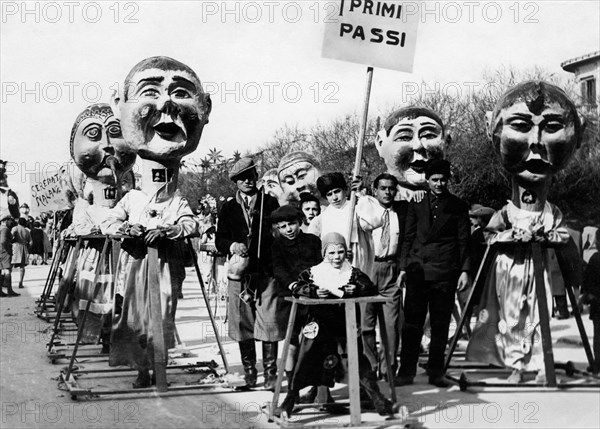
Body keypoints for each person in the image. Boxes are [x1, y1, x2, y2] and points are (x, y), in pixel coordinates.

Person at [466, 81, 583, 384]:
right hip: (510, 270)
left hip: (539, 269)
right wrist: (509, 237)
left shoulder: (550, 212)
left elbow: (561, 235)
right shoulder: (506, 211)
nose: (536, 142)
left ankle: (541, 364)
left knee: (537, 316)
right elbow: (489, 237)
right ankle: (514, 363)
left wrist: (544, 237)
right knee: (509, 316)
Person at [104, 56, 210, 388]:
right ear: (120, 106)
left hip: (167, 266)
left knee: (163, 317)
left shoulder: (176, 199)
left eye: (181, 92)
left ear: (205, 108)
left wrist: (172, 230)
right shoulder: (132, 198)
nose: (166, 102)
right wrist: (126, 229)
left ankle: (158, 367)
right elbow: (109, 221)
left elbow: (191, 222)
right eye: (150, 90)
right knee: (134, 318)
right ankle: (141, 369)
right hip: (135, 266)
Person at [274, 232, 394, 418]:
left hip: (343, 324)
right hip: (318, 324)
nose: (337, 257)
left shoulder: (352, 273)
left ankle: (376, 397)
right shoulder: (314, 273)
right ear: (324, 254)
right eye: (331, 253)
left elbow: (369, 287)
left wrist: (357, 289)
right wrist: (313, 291)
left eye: (340, 252)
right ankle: (290, 398)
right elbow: (298, 287)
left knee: (356, 359)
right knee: (307, 358)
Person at [395, 159, 471, 388]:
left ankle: (436, 372)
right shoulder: (416, 203)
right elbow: (407, 238)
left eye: (443, 180)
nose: (439, 184)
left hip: (445, 273)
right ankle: (406, 371)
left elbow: (464, 241)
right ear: (427, 181)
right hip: (418, 272)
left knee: (440, 326)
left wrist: (465, 271)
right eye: (435, 180)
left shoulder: (458, 206)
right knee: (412, 325)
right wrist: (402, 268)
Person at [216, 157, 281, 390]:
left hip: (267, 272)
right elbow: (219, 240)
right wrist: (233, 245)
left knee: (269, 321)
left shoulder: (270, 202)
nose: (246, 181)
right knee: (243, 323)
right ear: (235, 182)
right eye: (241, 178)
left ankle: (272, 374)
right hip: (239, 274)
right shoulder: (229, 208)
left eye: (250, 176)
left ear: (256, 177)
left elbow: (281, 233)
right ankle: (250, 372)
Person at [356, 173, 407, 379]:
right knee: (366, 323)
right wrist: (359, 192)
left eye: (391, 188)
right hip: (368, 267)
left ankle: (389, 368)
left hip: (391, 269)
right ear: (374, 190)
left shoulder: (402, 212)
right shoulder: (367, 208)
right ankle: (371, 365)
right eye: (383, 188)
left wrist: (402, 268)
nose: (387, 192)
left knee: (391, 325)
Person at [270, 205, 322, 384]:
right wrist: (293, 285)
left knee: (312, 341)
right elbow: (278, 269)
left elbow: (320, 265)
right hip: (289, 300)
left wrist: (314, 285)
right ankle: (293, 386)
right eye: (282, 226)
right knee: (291, 343)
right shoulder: (276, 246)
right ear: (277, 228)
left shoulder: (313, 241)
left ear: (300, 222)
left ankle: (316, 386)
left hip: (313, 298)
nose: (288, 229)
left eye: (291, 224)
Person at [375, 107, 449, 202]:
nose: (418, 146)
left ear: (446, 142)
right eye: (405, 137)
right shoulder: (371, 206)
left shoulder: (452, 206)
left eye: (429, 135)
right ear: (381, 143)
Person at [308, 172, 373, 277]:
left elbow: (372, 223)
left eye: (337, 191)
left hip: (357, 256)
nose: (334, 198)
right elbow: (313, 246)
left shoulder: (357, 209)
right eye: (329, 194)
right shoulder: (322, 218)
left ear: (345, 190)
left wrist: (361, 195)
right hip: (333, 262)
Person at [582, 227, 600, 374]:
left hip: (598, 303)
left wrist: (587, 295)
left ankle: (597, 364)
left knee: (598, 335)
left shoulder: (595, 258)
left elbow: (587, 280)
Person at [0, 214, 19, 297]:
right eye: (10, 221)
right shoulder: (5, 229)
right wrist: (7, 248)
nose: (11, 222)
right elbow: (3, 241)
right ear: (6, 221)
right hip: (4, 252)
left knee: (2, 272)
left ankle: (0, 291)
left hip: (1, 252)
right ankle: (10, 290)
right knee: (7, 271)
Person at [11, 217, 32, 289]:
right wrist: (27, 247)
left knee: (10, 266)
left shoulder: (15, 228)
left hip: (15, 247)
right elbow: (31, 242)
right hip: (23, 248)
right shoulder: (27, 231)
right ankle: (20, 282)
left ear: (18, 222)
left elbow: (11, 237)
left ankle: (8, 283)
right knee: (22, 267)